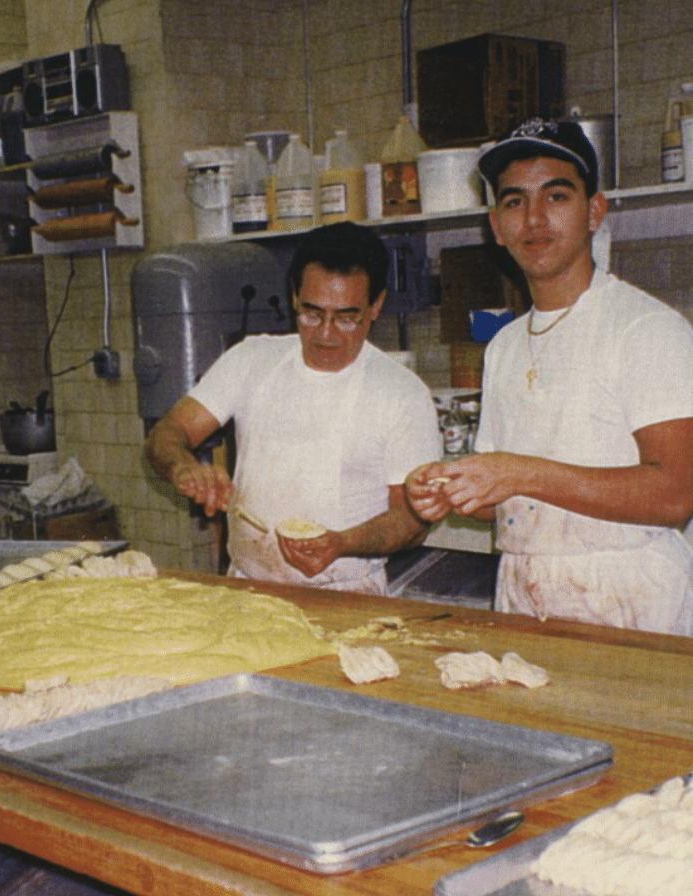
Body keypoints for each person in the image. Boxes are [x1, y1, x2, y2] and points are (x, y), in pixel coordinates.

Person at [407, 118, 693, 635]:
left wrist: (517, 471)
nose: (534, 219)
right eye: (514, 201)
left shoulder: (647, 329)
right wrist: (453, 490)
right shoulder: (505, 347)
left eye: (556, 197)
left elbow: (675, 495)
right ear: (495, 225)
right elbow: (511, 502)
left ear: (594, 211)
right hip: (525, 594)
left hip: (633, 603)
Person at [147, 221, 441, 594]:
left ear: (376, 305)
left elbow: (413, 520)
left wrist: (342, 543)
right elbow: (168, 433)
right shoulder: (252, 359)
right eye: (312, 313)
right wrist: (184, 467)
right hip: (247, 588)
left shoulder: (402, 394)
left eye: (346, 317)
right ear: (293, 296)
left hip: (347, 593)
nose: (326, 334)